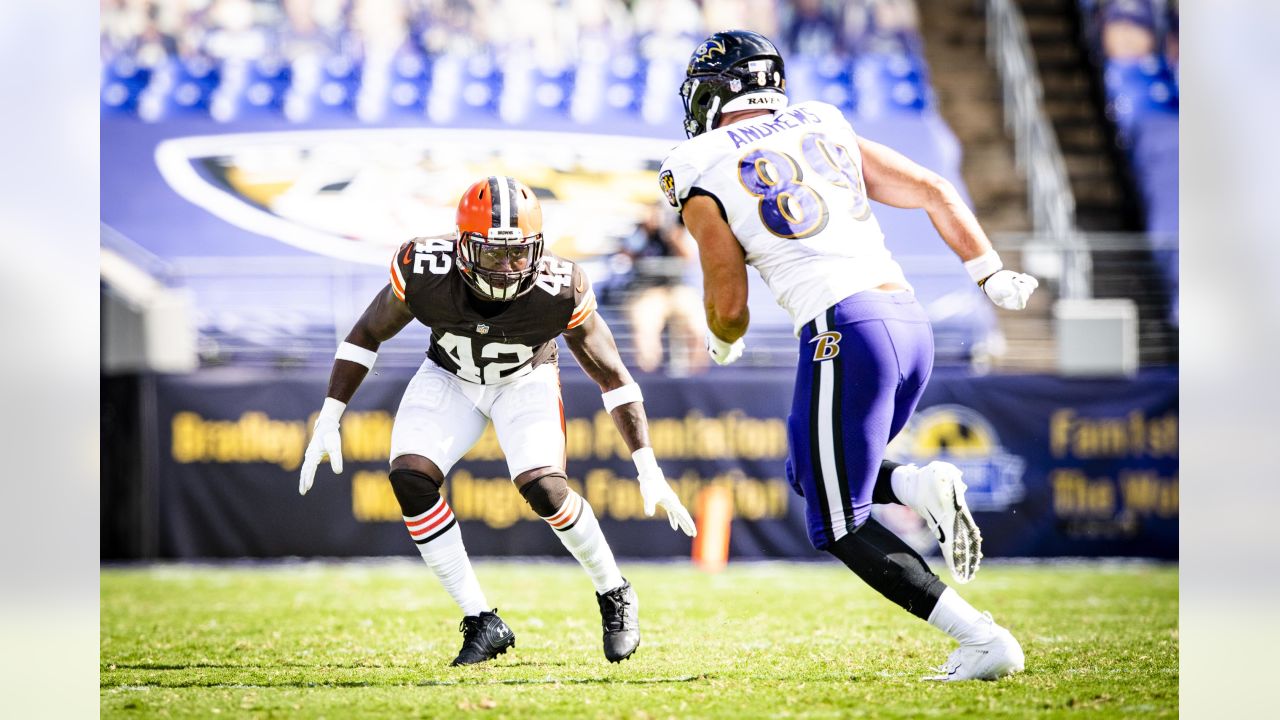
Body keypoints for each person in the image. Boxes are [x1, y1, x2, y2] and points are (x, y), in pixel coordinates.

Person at [660, 30, 1038, 681]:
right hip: (906, 322)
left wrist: (724, 338)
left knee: (838, 521)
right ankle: (919, 483)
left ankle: (981, 638)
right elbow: (932, 190)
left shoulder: (695, 162)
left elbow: (727, 295)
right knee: (811, 471)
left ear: (712, 95)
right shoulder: (821, 121)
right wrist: (989, 272)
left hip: (845, 328)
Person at [298, 175, 696, 666]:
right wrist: (330, 415)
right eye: (492, 254)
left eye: (518, 254)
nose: (508, 267)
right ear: (463, 248)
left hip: (523, 381)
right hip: (449, 376)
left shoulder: (560, 287)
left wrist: (647, 467)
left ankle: (614, 591)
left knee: (545, 488)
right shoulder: (424, 268)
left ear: (539, 249)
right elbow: (366, 332)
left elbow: (614, 376)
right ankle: (482, 620)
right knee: (409, 477)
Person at [617, 203, 708, 375]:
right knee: (646, 327)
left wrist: (670, 235)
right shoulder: (636, 233)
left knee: (698, 326)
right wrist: (644, 233)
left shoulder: (675, 229)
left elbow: (689, 257)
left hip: (677, 288)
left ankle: (696, 379)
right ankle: (649, 377)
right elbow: (624, 257)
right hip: (646, 291)